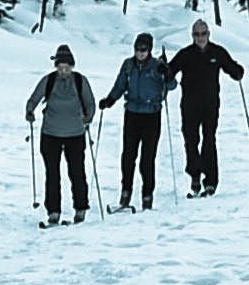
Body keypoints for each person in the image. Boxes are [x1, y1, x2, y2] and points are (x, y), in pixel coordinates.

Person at [171, 17, 246, 195]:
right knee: (190, 140)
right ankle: (195, 174)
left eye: (203, 34)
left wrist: (238, 72)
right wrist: (163, 70)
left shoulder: (217, 52)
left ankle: (211, 180)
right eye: (197, 34)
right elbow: (170, 70)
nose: (200, 37)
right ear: (192, 36)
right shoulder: (186, 54)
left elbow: (231, 67)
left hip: (210, 104)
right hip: (189, 105)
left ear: (209, 34)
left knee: (209, 139)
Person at [26, 43, 99, 222]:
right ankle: (53, 211)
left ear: (72, 66)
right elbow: (34, 98)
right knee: (52, 173)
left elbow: (90, 102)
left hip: (75, 133)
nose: (64, 71)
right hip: (50, 133)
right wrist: (30, 111)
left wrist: (88, 117)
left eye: (67, 67)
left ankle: (81, 207)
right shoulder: (49, 80)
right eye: (60, 67)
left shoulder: (80, 81)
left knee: (77, 171)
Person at [107, 31, 172, 211]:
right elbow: (120, 85)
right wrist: (110, 99)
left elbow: (172, 86)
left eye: (143, 49)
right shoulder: (128, 65)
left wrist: (167, 73)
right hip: (132, 114)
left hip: (151, 115)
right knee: (128, 156)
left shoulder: (157, 66)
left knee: (147, 158)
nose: (140, 53)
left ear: (149, 50)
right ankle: (126, 191)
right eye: (137, 49)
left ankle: (147, 194)